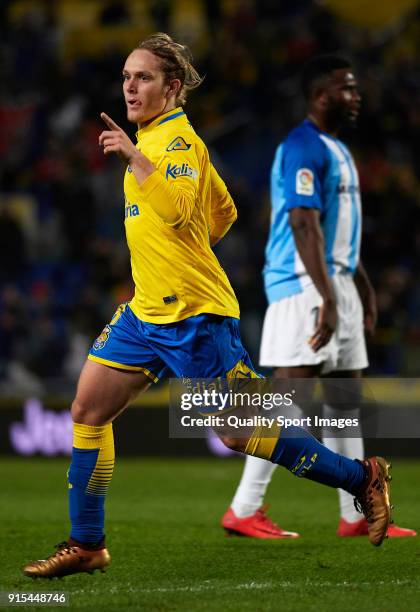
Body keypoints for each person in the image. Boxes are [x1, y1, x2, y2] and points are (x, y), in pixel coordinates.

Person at [23, 37, 393, 579]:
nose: (130, 86)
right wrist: (187, 240)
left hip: (195, 315)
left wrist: (133, 156)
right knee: (87, 412)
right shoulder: (159, 140)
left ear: (173, 88)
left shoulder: (172, 144)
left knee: (240, 432)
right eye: (126, 75)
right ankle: (86, 544)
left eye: (144, 77)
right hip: (147, 311)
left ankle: (362, 478)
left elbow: (175, 211)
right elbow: (222, 211)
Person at [222, 55, 415, 540]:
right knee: (292, 395)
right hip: (304, 285)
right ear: (321, 95)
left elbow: (338, 232)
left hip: (337, 283)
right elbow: (303, 224)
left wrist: (360, 287)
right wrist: (328, 297)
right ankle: (244, 508)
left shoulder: (337, 150)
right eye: (347, 89)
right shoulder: (301, 147)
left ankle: (355, 514)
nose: (357, 96)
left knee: (344, 400)